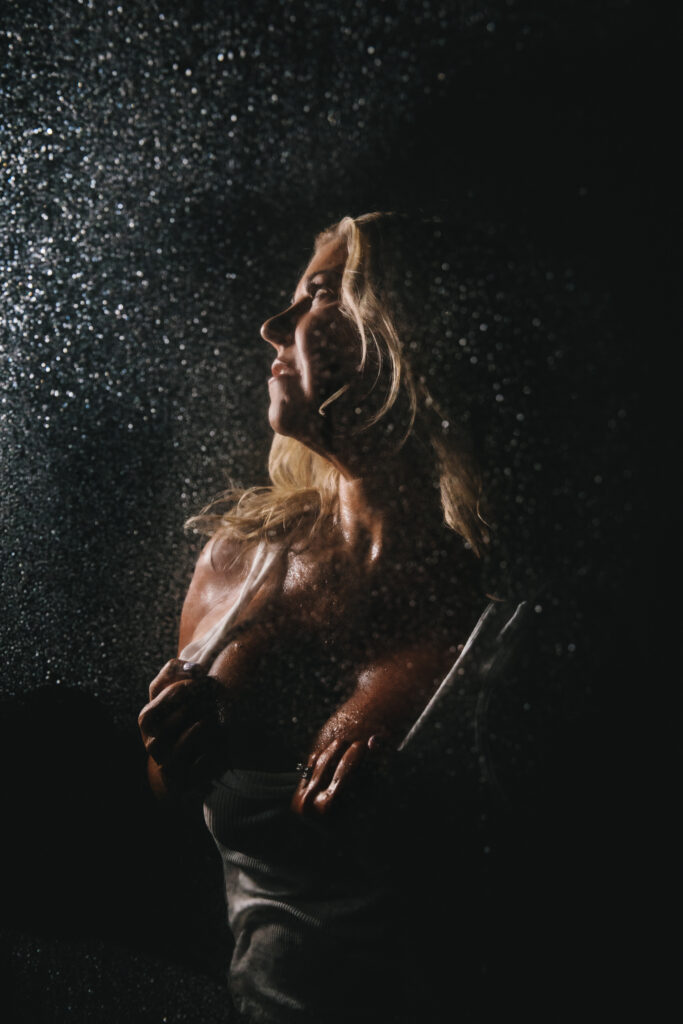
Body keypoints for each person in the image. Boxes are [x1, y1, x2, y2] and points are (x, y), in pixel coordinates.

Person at [137, 212, 533, 1023]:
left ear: (408, 335)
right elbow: (172, 818)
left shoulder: (513, 613)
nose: (273, 325)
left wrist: (434, 840)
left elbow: (579, 890)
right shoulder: (236, 563)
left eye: (320, 295)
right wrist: (168, 753)